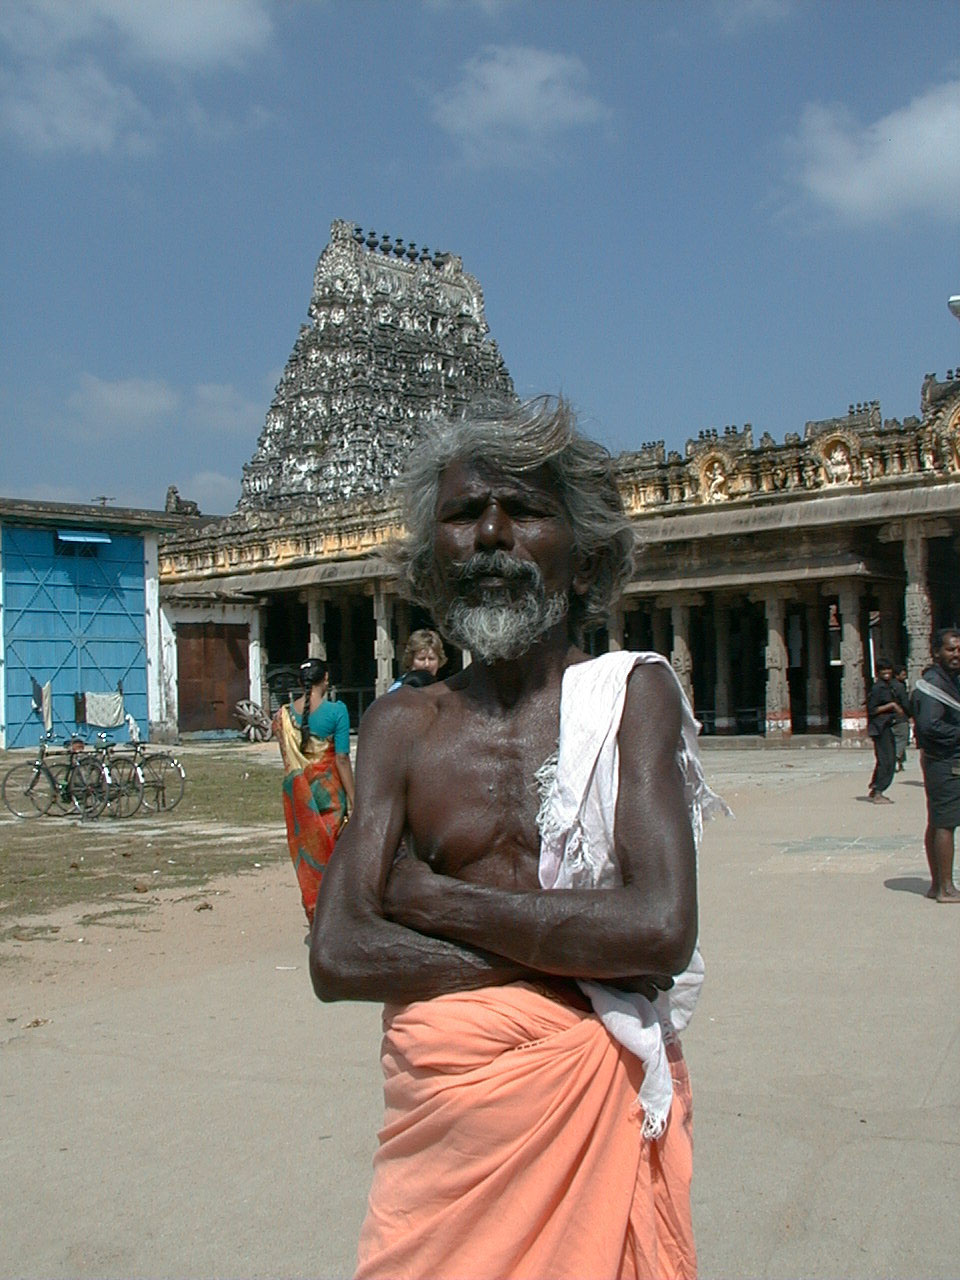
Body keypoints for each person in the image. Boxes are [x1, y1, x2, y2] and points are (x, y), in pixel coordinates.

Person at [311, 395, 724, 1280]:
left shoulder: (630, 698)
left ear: (587, 559)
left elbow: (659, 930)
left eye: (526, 510)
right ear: (432, 562)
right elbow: (340, 953)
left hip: (591, 1106)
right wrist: (580, 957)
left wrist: (434, 901)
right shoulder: (401, 726)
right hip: (447, 1146)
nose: (491, 533)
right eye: (463, 515)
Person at [273, 658, 355, 925]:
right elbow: (342, 759)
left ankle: (316, 917)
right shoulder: (337, 711)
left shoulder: (283, 716)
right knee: (334, 858)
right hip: (331, 798)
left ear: (300, 683)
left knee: (310, 857)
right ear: (326, 680)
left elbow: (290, 762)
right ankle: (338, 919)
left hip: (300, 801)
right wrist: (354, 799)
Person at [912, 628, 960, 902]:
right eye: (951, 649)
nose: (956, 654)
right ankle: (946, 888)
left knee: (940, 821)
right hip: (943, 762)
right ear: (937, 652)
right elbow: (930, 726)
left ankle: (937, 884)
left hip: (944, 759)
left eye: (959, 650)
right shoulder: (932, 686)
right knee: (945, 823)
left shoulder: (948, 681)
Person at [866, 658, 907, 803]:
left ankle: (875, 788)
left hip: (886, 726)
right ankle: (878, 792)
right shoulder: (878, 688)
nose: (887, 672)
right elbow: (872, 710)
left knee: (885, 759)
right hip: (879, 727)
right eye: (883, 670)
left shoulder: (888, 686)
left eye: (888, 669)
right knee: (887, 761)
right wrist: (892, 706)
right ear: (878, 672)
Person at [385, 628, 446, 692]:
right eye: (421, 659)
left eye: (431, 659)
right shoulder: (397, 691)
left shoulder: (443, 689)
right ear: (411, 660)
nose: (427, 664)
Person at [892, 664, 910, 771]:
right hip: (900, 716)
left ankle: (900, 764)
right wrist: (910, 713)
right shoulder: (900, 687)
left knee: (897, 740)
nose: (905, 676)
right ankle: (896, 759)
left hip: (891, 717)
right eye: (903, 674)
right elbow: (905, 703)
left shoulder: (889, 684)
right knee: (903, 739)